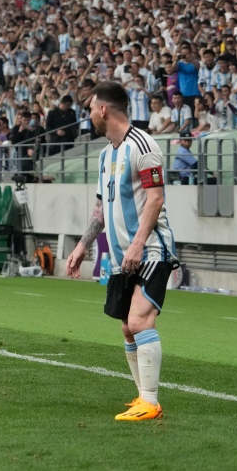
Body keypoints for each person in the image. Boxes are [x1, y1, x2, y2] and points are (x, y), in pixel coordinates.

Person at [66, 82, 177, 421]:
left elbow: (156, 198)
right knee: (127, 328)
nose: (88, 117)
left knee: (139, 319)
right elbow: (101, 208)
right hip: (120, 255)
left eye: (89, 109)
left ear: (104, 110)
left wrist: (140, 243)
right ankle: (142, 396)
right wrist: (83, 244)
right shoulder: (105, 154)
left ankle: (151, 402)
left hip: (151, 249)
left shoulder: (143, 145)